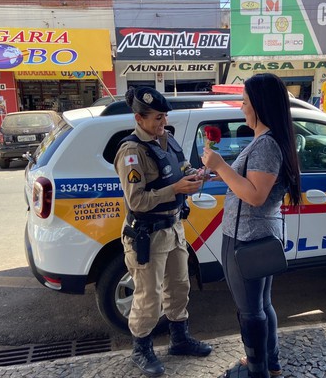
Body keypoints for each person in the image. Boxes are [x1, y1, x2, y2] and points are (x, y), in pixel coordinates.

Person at [201, 73, 302, 378]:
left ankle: (257, 369)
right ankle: (270, 363)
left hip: (248, 238)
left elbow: (256, 195)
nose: (241, 108)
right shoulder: (267, 141)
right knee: (262, 304)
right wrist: (219, 172)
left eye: (244, 102)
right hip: (258, 235)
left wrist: (220, 165)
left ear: (259, 104)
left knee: (251, 310)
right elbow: (250, 184)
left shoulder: (267, 145)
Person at [114, 87, 212, 377]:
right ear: (139, 118)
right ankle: (141, 349)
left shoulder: (165, 139)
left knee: (180, 286)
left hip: (173, 228)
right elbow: (137, 200)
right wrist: (175, 189)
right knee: (149, 296)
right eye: (157, 118)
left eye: (164, 116)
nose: (162, 122)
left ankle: (179, 339)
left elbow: (180, 167)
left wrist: (194, 175)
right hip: (148, 233)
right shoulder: (131, 152)